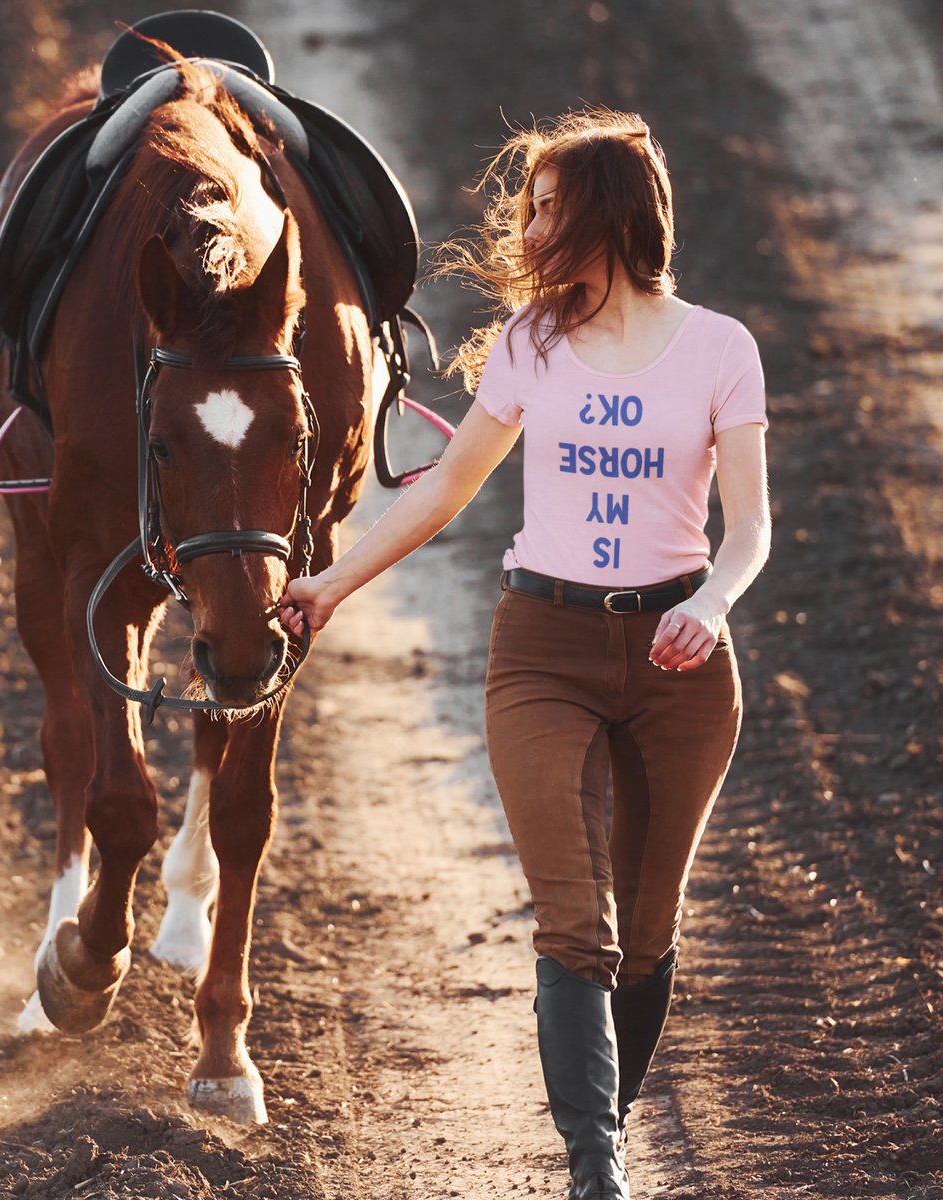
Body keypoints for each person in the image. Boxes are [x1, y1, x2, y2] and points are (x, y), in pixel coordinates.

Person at [279, 109, 770, 1200]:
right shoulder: (527, 345)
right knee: (573, 921)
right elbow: (448, 494)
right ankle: (596, 1169)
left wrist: (719, 602)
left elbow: (750, 528)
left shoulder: (720, 349)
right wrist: (329, 583)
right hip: (541, 649)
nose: (528, 222)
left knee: (644, 938)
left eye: (547, 203)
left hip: (680, 661)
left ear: (603, 213)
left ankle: (607, 1121)